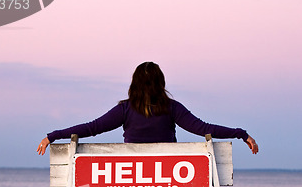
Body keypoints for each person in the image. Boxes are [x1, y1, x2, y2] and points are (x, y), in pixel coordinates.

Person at [37, 61, 258, 155]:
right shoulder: (171, 108)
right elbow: (203, 128)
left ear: (134, 84)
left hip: (135, 179)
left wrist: (53, 136)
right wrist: (241, 134)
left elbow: (91, 128)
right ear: (161, 83)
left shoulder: (125, 110)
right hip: (169, 178)